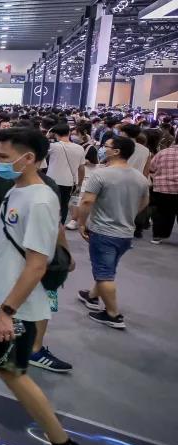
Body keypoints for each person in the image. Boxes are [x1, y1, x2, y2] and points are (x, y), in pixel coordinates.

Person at [0, 127, 95, 445]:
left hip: (13, 306)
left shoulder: (39, 201)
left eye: (4, 157)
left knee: (13, 372)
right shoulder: (14, 191)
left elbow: (37, 264)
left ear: (30, 159)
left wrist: (7, 310)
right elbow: (0, 244)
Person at [75, 135, 148, 330]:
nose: (102, 148)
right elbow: (145, 202)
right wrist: (128, 213)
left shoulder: (101, 175)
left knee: (104, 273)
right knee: (108, 267)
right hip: (125, 233)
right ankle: (92, 296)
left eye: (105, 146)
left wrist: (81, 223)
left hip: (103, 231)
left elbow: (87, 201)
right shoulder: (140, 177)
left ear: (116, 151)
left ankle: (113, 314)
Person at [46, 122, 85, 224]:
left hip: (52, 181)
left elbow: (41, 149)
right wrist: (79, 184)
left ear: (55, 134)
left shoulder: (53, 146)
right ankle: (61, 226)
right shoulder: (80, 148)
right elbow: (81, 169)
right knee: (64, 206)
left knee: (50, 204)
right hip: (69, 182)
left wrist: (48, 135)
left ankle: (49, 226)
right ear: (69, 132)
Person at [149, 137, 178, 243]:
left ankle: (158, 236)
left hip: (162, 188)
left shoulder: (162, 153)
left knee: (162, 213)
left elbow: (151, 168)